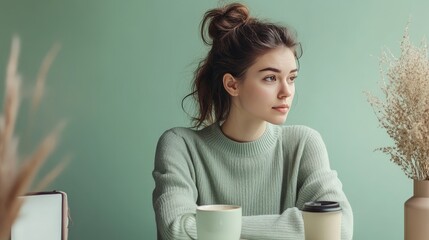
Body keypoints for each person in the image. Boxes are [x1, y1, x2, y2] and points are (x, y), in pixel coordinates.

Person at [152, 2, 353, 240]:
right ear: (232, 84)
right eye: (270, 78)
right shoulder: (181, 146)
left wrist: (211, 228)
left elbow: (338, 228)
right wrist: (300, 226)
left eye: (291, 78)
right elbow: (175, 230)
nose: (286, 91)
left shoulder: (303, 143)